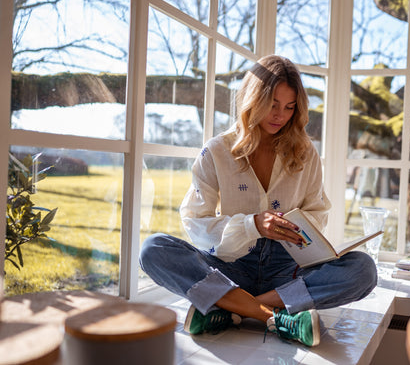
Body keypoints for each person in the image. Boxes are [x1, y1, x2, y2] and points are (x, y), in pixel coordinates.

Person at [139, 55, 377, 347]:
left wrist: (299, 228)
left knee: (363, 269)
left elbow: (318, 211)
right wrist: (251, 225)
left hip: (286, 269)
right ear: (252, 99)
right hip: (230, 264)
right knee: (154, 249)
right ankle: (274, 317)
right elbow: (195, 221)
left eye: (290, 107)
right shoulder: (216, 151)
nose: (280, 115)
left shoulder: (306, 154)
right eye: (273, 104)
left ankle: (230, 308)